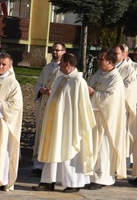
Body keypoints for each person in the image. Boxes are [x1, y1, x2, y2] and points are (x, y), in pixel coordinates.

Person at [33, 53, 95, 193]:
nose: (58, 65)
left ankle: (73, 183)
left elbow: (82, 106)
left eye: (61, 63)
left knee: (69, 152)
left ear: (67, 64)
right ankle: (48, 181)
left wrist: (75, 123)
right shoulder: (60, 78)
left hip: (69, 124)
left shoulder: (78, 82)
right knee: (52, 149)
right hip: (55, 123)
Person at [86, 50, 126, 190]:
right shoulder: (97, 74)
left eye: (100, 59)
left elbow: (111, 99)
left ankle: (102, 178)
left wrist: (93, 93)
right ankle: (90, 176)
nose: (98, 61)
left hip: (107, 120)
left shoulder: (115, 78)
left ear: (109, 61)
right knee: (91, 147)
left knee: (103, 148)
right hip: (94, 117)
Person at [0, 53, 23, 191]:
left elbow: (16, 105)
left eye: (4, 64)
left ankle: (0, 180)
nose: (0, 66)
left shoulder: (13, 83)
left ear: (9, 66)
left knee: (0, 152)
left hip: (1, 123)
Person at [32, 43, 65, 174]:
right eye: (53, 50)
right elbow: (38, 84)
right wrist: (41, 90)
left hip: (55, 106)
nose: (55, 53)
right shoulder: (46, 68)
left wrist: (54, 91)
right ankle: (38, 164)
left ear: (64, 51)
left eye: (57, 50)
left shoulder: (64, 69)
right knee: (41, 133)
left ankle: (50, 165)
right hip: (44, 104)